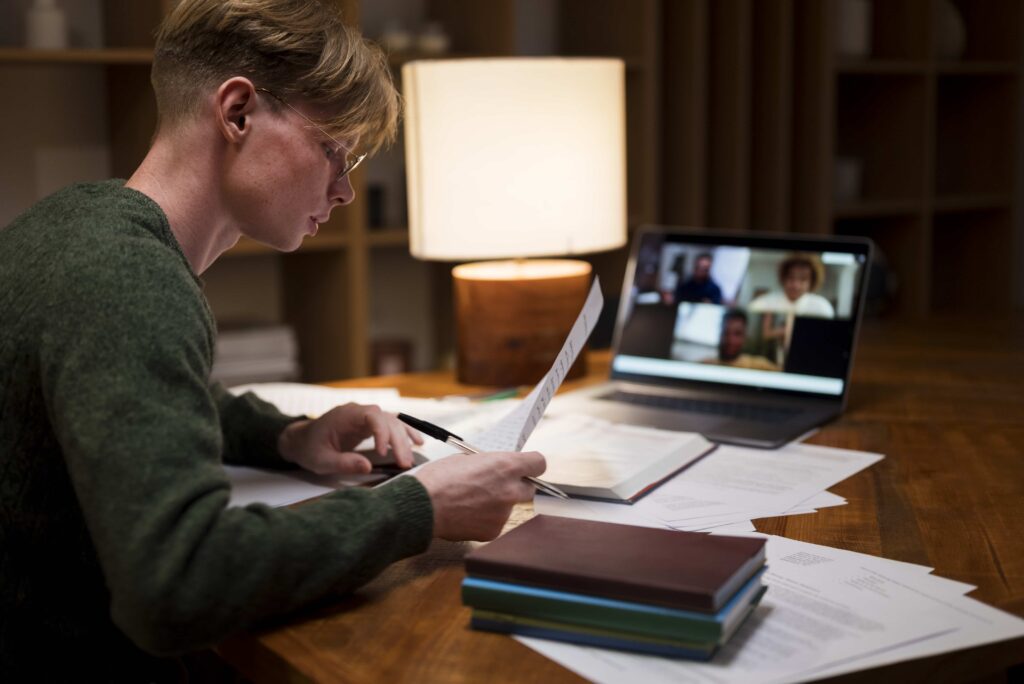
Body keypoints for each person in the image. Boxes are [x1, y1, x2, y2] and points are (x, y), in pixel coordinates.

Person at [0, 1, 545, 680]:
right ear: (237, 113)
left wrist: (286, 438)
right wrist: (420, 506)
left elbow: (135, 392)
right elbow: (176, 587)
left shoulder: (74, 222)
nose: (346, 191)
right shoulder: (128, 278)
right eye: (332, 150)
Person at [748, 253, 835, 362]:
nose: (795, 285)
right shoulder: (762, 303)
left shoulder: (822, 309)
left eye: (803, 279)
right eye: (791, 277)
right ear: (783, 278)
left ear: (812, 281)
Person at [702, 310, 780, 371]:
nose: (731, 340)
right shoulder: (704, 365)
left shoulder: (761, 365)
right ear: (720, 334)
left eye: (737, 334)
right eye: (726, 332)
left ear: (745, 337)